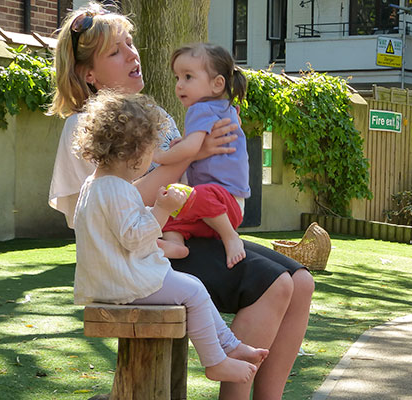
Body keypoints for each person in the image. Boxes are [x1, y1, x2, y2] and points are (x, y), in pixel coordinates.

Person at [48, 3, 314, 399]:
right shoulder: (85, 126)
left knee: (302, 280)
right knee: (274, 284)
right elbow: (111, 206)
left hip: (176, 233)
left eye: (130, 43)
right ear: (89, 74)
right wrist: (193, 154)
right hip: (137, 255)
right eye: (115, 51)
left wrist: (215, 155)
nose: (132, 54)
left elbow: (183, 183)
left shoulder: (152, 113)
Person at [72, 90, 268, 383]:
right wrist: (163, 209)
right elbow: (134, 238)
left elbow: (114, 233)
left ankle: (231, 345)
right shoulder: (117, 188)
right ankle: (216, 361)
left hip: (107, 280)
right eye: (149, 152)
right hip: (125, 283)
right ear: (133, 153)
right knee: (195, 291)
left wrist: (155, 218)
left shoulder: (94, 186)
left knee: (192, 287)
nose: (151, 160)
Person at [156, 43, 250, 269]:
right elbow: (194, 147)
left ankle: (230, 237)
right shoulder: (224, 108)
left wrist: (159, 156)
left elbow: (190, 150)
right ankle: (176, 244)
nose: (179, 85)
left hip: (221, 203)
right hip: (214, 214)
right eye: (177, 77)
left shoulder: (200, 109)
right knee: (171, 213)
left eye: (188, 77)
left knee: (197, 194)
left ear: (217, 84)